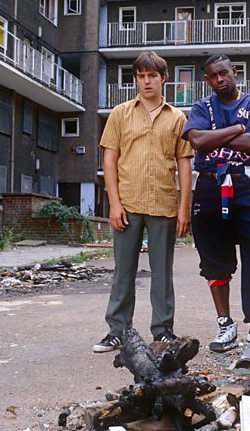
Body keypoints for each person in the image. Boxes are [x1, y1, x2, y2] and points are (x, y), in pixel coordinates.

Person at [182, 54, 250, 353]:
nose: (220, 79)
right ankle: (225, 325)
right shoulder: (202, 107)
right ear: (208, 79)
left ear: (235, 72)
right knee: (214, 260)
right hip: (208, 185)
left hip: (243, 183)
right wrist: (239, 130)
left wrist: (214, 137)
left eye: (224, 73)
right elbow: (197, 142)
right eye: (213, 75)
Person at [93, 51, 194, 353]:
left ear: (164, 78)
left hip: (164, 203)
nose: (147, 81)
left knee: (162, 272)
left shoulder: (177, 118)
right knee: (124, 270)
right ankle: (118, 332)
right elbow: (109, 159)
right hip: (128, 202)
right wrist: (114, 203)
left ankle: (163, 331)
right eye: (141, 75)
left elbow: (185, 164)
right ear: (136, 78)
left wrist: (184, 206)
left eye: (152, 75)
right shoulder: (120, 113)